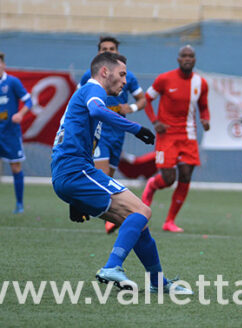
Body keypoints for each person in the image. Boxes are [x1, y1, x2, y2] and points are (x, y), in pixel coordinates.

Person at [51, 52, 192, 294]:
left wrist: (76, 200)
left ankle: (158, 282)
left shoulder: (86, 95)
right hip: (75, 171)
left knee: (137, 224)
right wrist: (135, 128)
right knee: (142, 211)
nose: (125, 80)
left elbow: (72, 139)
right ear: (104, 72)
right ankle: (112, 266)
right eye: (122, 74)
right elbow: (96, 111)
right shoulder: (92, 90)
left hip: (72, 175)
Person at [79, 35, 146, 234]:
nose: (108, 51)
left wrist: (131, 107)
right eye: (103, 49)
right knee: (101, 176)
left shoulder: (128, 76)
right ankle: (109, 215)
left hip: (118, 134)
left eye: (112, 48)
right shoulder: (89, 78)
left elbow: (142, 99)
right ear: (98, 53)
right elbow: (80, 100)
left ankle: (90, 206)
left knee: (108, 175)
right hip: (98, 132)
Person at [141, 45, 210, 233]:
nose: (187, 59)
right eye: (184, 56)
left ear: (195, 60)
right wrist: (155, 122)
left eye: (191, 56)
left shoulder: (200, 83)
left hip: (188, 135)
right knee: (168, 179)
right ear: (178, 59)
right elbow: (146, 99)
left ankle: (169, 221)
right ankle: (152, 184)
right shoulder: (164, 79)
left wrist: (206, 119)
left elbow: (203, 106)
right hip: (167, 136)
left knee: (186, 175)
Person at [0, 52, 33, 214]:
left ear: (3, 65)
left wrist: (20, 114)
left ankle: (19, 204)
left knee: (15, 167)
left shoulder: (12, 82)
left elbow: (29, 100)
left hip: (10, 133)